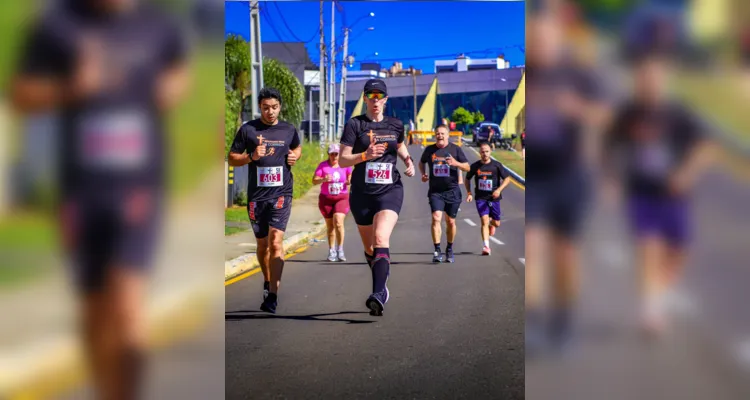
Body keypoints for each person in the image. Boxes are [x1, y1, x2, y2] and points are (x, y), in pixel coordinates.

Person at [10, 0, 190, 398]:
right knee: (93, 312)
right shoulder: (58, 23)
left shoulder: (156, 24)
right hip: (81, 190)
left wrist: (169, 89)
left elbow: (178, 73)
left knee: (127, 310)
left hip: (138, 190)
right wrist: (72, 86)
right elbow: (20, 93)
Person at [606, 51, 714, 337]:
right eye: (644, 77)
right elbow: (610, 144)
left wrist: (686, 174)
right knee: (647, 248)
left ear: (664, 80)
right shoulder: (629, 113)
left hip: (675, 194)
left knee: (679, 250)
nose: (649, 82)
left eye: (655, 77)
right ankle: (651, 309)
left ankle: (659, 293)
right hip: (641, 191)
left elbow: (705, 147)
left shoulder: (678, 113)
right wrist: (612, 179)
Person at [338, 78, 415, 316]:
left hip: (389, 189)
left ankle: (379, 293)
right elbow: (342, 160)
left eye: (379, 97)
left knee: (381, 237)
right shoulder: (354, 125)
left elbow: (399, 145)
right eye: (371, 97)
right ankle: (381, 281)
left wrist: (408, 160)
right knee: (370, 248)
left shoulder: (395, 124)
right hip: (361, 194)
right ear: (365, 99)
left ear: (385, 100)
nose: (375, 101)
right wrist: (365, 155)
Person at [228, 87, 302, 314]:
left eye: (274, 107)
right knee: (262, 245)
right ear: (259, 107)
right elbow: (231, 158)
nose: (270, 112)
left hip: (281, 193)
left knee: (276, 243)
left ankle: (273, 296)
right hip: (257, 197)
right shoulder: (248, 130)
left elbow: (297, 147)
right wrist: (252, 156)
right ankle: (268, 281)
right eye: (266, 107)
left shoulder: (288, 129)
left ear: (280, 107)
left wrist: (295, 155)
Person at [419, 124, 471, 263]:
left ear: (448, 135)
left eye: (442, 133)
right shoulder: (430, 150)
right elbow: (421, 162)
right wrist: (423, 174)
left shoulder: (455, 149)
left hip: (452, 191)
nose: (440, 135)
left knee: (451, 222)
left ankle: (449, 248)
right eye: (437, 133)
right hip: (436, 191)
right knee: (436, 218)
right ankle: (437, 250)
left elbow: (467, 167)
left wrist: (455, 163)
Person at [465, 142, 511, 255]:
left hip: (494, 197)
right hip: (481, 198)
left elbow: (507, 179)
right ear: (479, 152)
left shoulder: (497, 165)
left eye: (487, 151)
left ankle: (492, 224)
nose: (484, 154)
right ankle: (486, 246)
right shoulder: (475, 166)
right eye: (482, 152)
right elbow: (467, 179)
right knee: (484, 221)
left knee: (497, 223)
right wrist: (469, 193)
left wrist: (499, 190)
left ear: (490, 152)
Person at [313, 143, 353, 262]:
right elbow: (314, 180)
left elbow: (349, 173)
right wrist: (323, 179)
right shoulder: (323, 166)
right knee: (330, 226)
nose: (334, 156)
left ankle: (340, 249)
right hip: (326, 199)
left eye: (336, 154)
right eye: (332, 154)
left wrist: (349, 180)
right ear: (328, 154)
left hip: (341, 197)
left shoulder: (344, 164)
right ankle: (332, 250)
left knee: (338, 222)